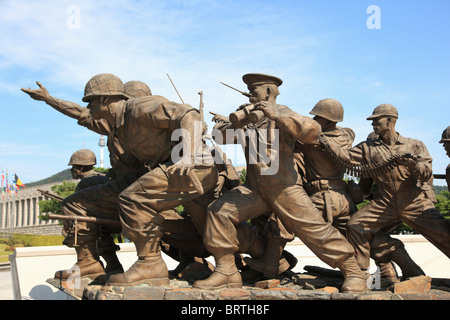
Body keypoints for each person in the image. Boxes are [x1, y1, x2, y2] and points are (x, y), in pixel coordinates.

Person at [193, 73, 368, 293]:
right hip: (254, 189)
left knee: (314, 230)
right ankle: (226, 270)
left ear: (268, 91)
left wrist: (277, 116)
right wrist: (238, 122)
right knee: (219, 213)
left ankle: (352, 271)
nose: (249, 93)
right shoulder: (249, 118)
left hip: (284, 187)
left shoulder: (284, 112)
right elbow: (220, 137)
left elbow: (312, 132)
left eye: (254, 89)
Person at [21, 75, 152, 280]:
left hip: (134, 184)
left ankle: (88, 262)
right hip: (125, 180)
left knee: (73, 205)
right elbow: (79, 112)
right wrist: (48, 99)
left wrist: (48, 99)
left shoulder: (133, 123)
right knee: (87, 185)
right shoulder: (119, 124)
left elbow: (79, 112)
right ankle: (109, 263)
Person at [319, 103, 450, 274]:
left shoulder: (414, 145)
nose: (373, 124)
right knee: (355, 226)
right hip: (385, 203)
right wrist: (325, 140)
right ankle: (360, 272)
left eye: (376, 120)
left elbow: (426, 174)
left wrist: (412, 165)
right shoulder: (367, 148)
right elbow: (347, 157)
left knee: (445, 235)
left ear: (390, 120)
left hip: (414, 202)